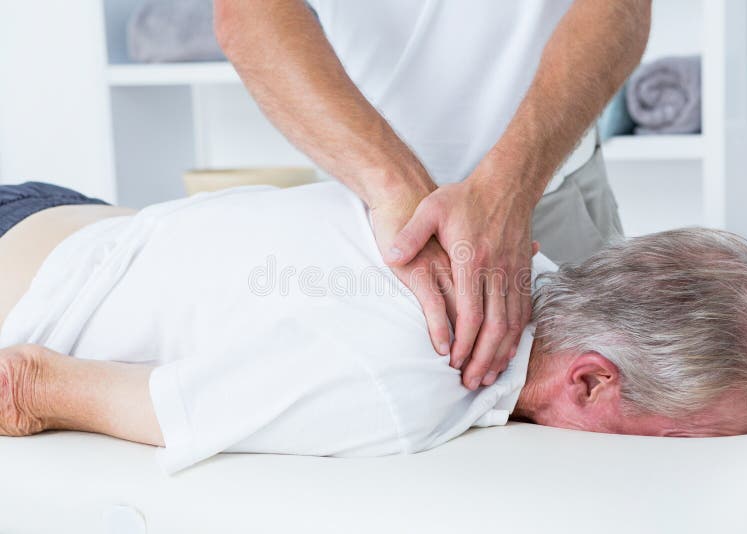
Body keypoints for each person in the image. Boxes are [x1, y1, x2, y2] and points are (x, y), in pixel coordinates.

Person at [0, 181, 747, 474]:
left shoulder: (507, 252)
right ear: (590, 379)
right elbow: (31, 385)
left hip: (70, 218)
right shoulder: (407, 382)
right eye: (678, 446)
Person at [213, 0, 651, 390]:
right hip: (370, 220)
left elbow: (622, 7)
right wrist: (395, 190)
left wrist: (508, 189)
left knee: (587, 458)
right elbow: (247, 11)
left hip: (550, 198)